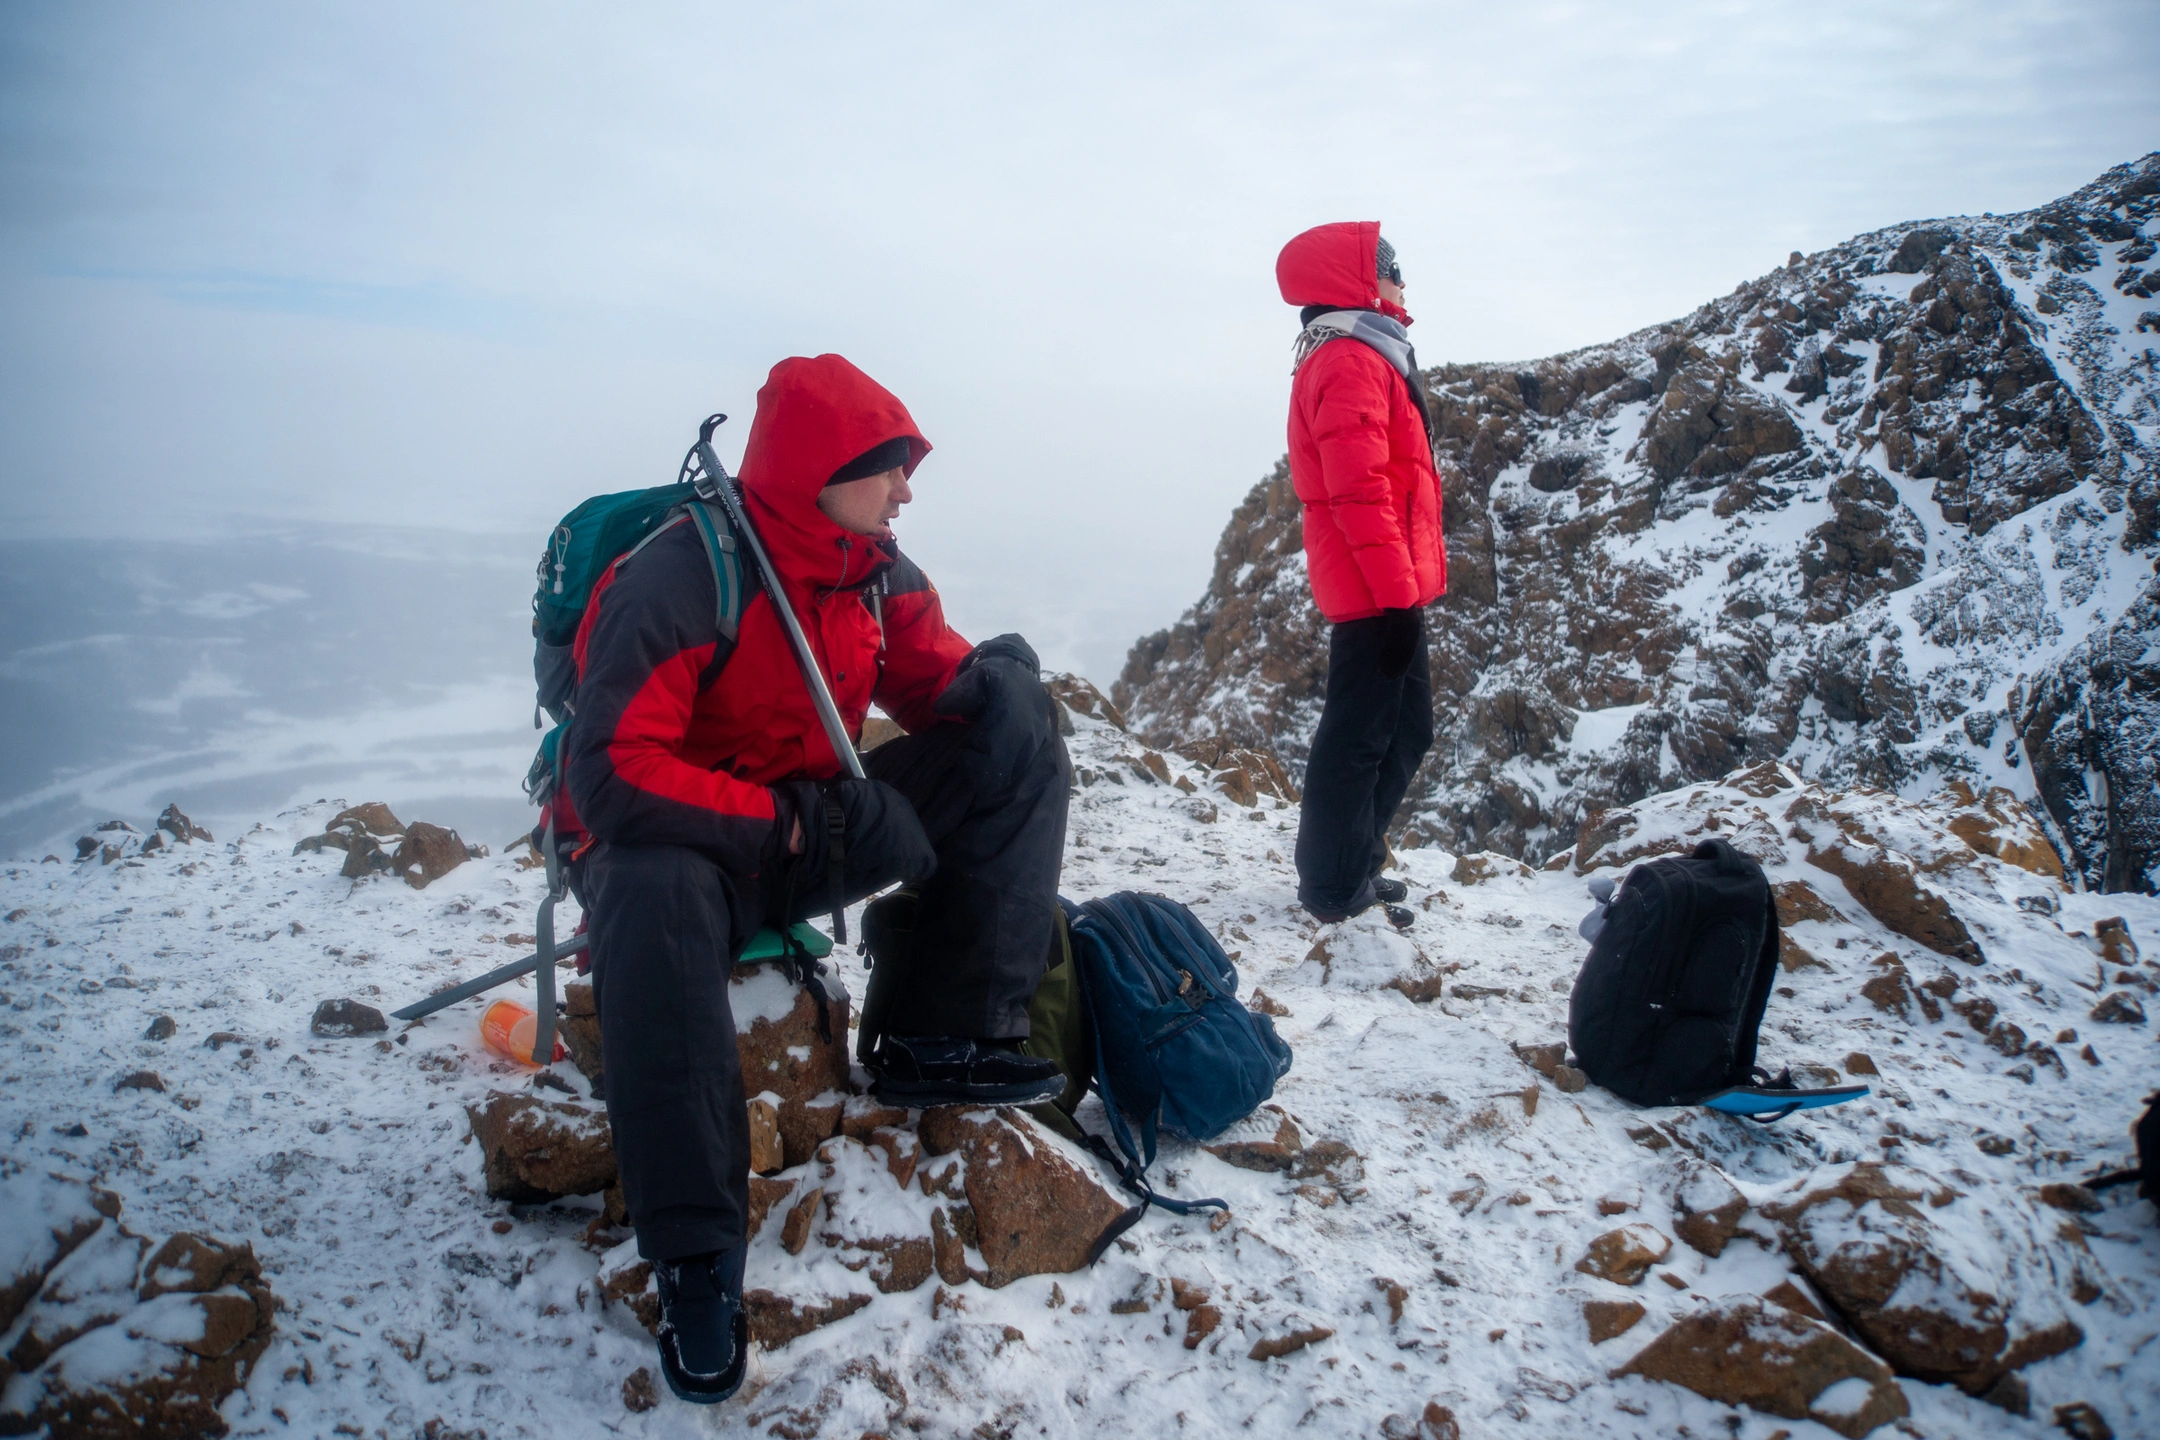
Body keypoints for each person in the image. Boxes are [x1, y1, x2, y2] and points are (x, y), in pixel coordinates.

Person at [560, 353, 1071, 1403]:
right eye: (889, 467)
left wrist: (996, 684)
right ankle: (697, 1262)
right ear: (820, 470)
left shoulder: (873, 572)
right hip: (678, 851)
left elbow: (935, 684)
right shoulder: (686, 573)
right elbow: (610, 775)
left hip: (806, 825)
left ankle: (947, 1031)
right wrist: (787, 825)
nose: (906, 489)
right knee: (654, 892)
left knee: (1020, 725)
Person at [1274, 222, 1447, 928]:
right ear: (1354, 279)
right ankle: (1334, 886)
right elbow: (1359, 491)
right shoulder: (1348, 358)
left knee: (1403, 729)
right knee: (1361, 736)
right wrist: (1397, 600)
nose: (1402, 282)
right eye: (1392, 268)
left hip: (1386, 583)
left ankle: (1354, 862)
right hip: (1376, 589)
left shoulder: (1362, 350)